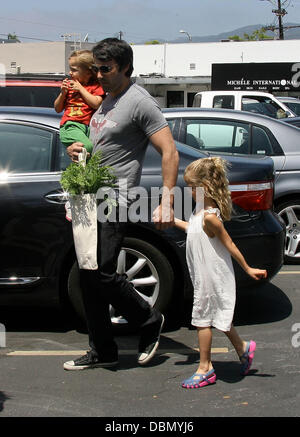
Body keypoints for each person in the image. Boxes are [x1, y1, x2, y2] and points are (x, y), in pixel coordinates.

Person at [63, 38, 179, 371]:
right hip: (90, 197)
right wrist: (79, 153)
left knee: (101, 272)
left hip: (115, 200)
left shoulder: (140, 102)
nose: (98, 75)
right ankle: (103, 349)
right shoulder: (108, 99)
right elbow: (106, 145)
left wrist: (167, 200)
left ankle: (148, 319)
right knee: (88, 276)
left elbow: (169, 151)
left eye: (106, 68)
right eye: (96, 68)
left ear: (126, 67)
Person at [173, 157, 267, 389]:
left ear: (204, 188)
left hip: (212, 276)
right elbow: (193, 230)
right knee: (219, 318)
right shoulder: (200, 212)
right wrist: (172, 221)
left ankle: (205, 368)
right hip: (204, 274)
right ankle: (243, 349)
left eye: (192, 187)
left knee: (203, 319)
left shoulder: (210, 218)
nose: (190, 191)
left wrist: (247, 268)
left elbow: (230, 244)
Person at [54, 50, 105, 154]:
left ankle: (85, 168)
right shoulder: (70, 86)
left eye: (74, 70)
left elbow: (96, 104)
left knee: (92, 150)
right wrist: (63, 93)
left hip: (86, 127)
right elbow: (57, 109)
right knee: (87, 147)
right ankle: (84, 170)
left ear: (88, 72)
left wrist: (81, 89)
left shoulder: (95, 87)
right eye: (70, 69)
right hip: (70, 126)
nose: (70, 73)